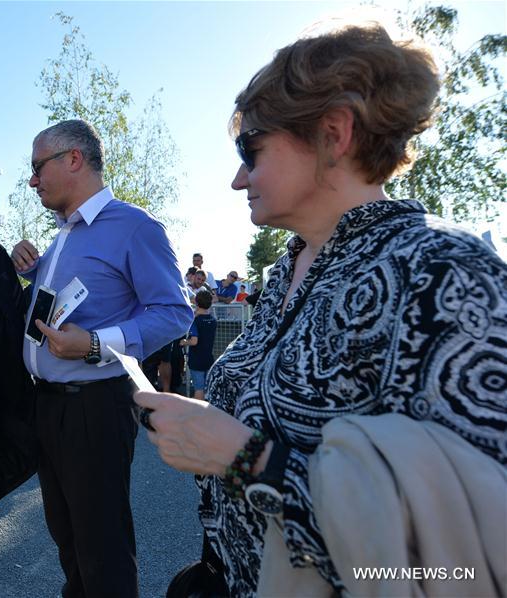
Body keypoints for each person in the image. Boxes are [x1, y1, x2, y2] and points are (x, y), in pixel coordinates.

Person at [134, 22, 506, 596]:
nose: (237, 179)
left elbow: (467, 553)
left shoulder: (441, 270)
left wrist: (244, 459)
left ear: (333, 134)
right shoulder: (287, 268)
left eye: (250, 150)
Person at [11, 119, 191, 597]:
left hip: (94, 406)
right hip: (49, 405)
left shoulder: (134, 227)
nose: (32, 181)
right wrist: (26, 270)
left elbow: (175, 313)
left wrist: (95, 344)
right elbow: (63, 301)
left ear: (73, 158)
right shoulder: (63, 234)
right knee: (68, 541)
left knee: (102, 547)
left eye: (36, 167)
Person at [178, 290, 216, 401]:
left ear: (197, 303)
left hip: (197, 360)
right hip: (209, 358)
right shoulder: (213, 320)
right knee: (207, 388)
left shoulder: (195, 321)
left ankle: (198, 415)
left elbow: (194, 341)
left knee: (199, 389)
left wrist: (184, 342)